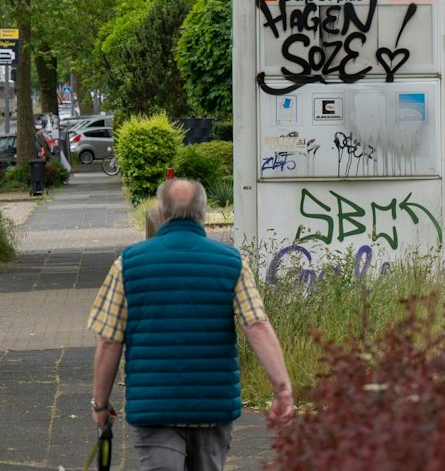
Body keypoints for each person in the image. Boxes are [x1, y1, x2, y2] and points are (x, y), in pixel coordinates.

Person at [87, 179, 293, 470]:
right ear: (203, 214)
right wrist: (282, 389)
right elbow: (256, 326)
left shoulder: (128, 264)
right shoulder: (232, 263)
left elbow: (109, 340)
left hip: (155, 407)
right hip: (212, 405)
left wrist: (100, 403)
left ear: (160, 213)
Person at [28, 132, 52, 196]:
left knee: (36, 176)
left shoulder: (37, 143)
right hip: (40, 160)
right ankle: (40, 189)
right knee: (40, 175)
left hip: (38, 159)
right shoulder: (39, 143)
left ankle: (36, 189)